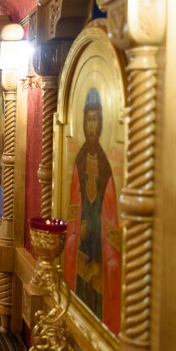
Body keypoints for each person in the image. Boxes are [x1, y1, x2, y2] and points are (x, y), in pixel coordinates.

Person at [63, 88, 121, 333]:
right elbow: (72, 207)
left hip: (99, 252)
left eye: (96, 119)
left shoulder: (107, 167)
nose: (91, 126)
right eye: (88, 119)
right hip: (80, 250)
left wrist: (97, 237)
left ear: (102, 123)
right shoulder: (78, 161)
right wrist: (77, 232)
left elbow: (111, 216)